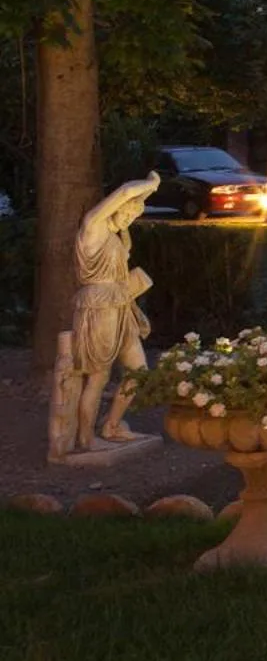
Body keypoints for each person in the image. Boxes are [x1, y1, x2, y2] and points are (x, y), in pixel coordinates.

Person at [58, 173, 160, 455]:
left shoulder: (116, 235)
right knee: (98, 377)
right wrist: (151, 186)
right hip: (99, 307)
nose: (129, 218)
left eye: (134, 216)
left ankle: (111, 425)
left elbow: (129, 202)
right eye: (126, 212)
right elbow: (125, 191)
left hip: (121, 306)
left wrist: (142, 198)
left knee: (139, 372)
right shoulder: (93, 225)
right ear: (115, 207)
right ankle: (86, 438)